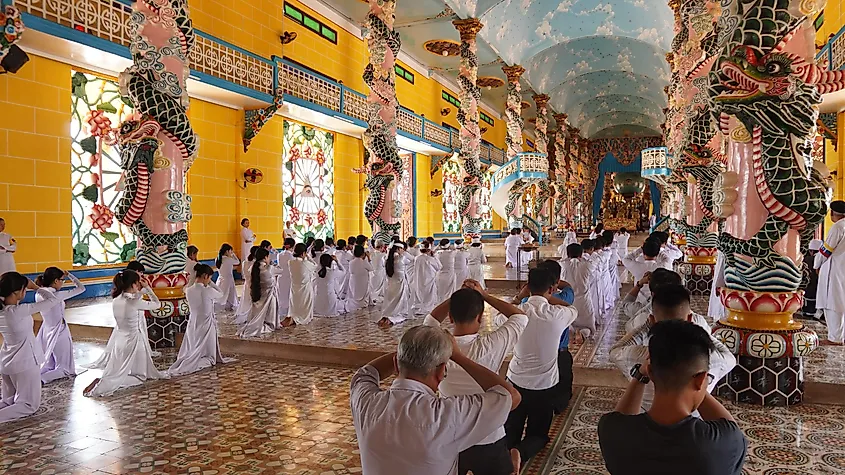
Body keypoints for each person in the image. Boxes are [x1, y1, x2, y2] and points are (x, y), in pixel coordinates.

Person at [350, 325, 521, 475]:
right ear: (441, 371)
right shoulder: (448, 414)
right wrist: (457, 356)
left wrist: (412, 351)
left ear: (396, 364)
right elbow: (511, 396)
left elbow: (364, 374)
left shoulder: (365, 402)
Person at [599, 320, 747, 475]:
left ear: (649, 371)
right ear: (701, 379)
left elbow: (620, 419)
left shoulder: (611, 431)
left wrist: (640, 375)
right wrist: (698, 383)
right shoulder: (723, 443)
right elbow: (730, 426)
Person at [424, 282, 527, 475]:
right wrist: (484, 295)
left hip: (450, 434)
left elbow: (431, 319)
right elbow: (519, 317)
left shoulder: (438, 344)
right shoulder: (492, 344)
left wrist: (458, 297)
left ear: (451, 317)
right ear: (480, 316)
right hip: (489, 435)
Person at [609, 285, 736, 412]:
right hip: (694, 424)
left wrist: (647, 327)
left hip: (644, 422)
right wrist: (697, 331)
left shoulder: (641, 357)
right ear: (691, 319)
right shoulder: (711, 358)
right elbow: (729, 357)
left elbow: (615, 351)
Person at [505, 268, 578, 462]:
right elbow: (573, 309)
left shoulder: (517, 313)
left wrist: (520, 299)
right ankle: (521, 453)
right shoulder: (558, 315)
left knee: (510, 430)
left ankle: (508, 451)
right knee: (538, 435)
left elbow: (502, 314)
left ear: (527, 287)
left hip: (515, 382)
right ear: (553, 289)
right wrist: (547, 298)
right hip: (544, 386)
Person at [85, 271, 168, 396]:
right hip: (135, 341)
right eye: (137, 283)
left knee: (125, 371)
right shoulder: (133, 302)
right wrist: (148, 288)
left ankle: (108, 381)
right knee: (140, 377)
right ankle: (105, 383)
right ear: (133, 284)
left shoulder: (117, 299)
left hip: (120, 340)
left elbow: (134, 298)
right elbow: (157, 304)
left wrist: (140, 290)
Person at [0, 272, 58, 421]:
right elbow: (53, 299)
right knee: (28, 405)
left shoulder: (3, 311)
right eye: (24, 289)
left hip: (6, 362)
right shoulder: (18, 311)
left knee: (8, 401)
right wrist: (36, 287)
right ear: (17, 292)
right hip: (24, 363)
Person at [167, 264, 234, 376]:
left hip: (193, 322)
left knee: (194, 346)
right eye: (209, 278)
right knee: (209, 358)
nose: (210, 281)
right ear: (205, 276)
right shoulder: (207, 290)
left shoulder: (189, 290)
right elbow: (221, 294)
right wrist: (211, 284)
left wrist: (207, 282)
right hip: (206, 323)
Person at [35, 267, 86, 384]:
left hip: (47, 330)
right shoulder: (55, 295)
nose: (63, 283)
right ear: (56, 281)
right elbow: (81, 288)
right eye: (62, 280)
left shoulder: (39, 294)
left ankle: (37, 376)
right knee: (65, 369)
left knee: (50, 364)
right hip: (59, 332)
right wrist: (70, 275)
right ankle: (41, 379)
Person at [816, 200, 845, 345]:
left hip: (835, 270)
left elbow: (826, 250)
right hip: (843, 269)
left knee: (833, 303)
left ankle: (835, 338)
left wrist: (817, 264)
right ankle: (841, 336)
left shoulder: (838, 227)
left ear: (833, 213)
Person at [239, 248, 283, 337]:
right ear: (266, 257)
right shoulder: (269, 268)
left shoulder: (253, 268)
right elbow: (280, 270)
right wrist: (271, 263)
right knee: (269, 322)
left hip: (258, 295)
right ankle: (266, 326)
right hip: (269, 297)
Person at [561, 243, 597, 341]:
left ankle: (572, 332)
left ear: (567, 254)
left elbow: (562, 262)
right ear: (581, 254)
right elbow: (594, 264)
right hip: (584, 299)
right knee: (588, 325)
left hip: (568, 299)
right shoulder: (587, 265)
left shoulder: (563, 265)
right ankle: (582, 333)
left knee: (568, 321)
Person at [283, 243, 318, 327]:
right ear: (303, 253)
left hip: (294, 287)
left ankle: (293, 317)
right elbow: (315, 266)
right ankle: (299, 319)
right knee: (305, 306)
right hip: (305, 288)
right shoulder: (305, 263)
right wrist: (308, 257)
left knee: (295, 304)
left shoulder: (290, 262)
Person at [378, 242, 412, 327]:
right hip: (400, 283)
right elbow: (412, 260)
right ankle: (392, 318)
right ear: (398, 249)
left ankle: (386, 316)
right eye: (402, 249)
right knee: (399, 303)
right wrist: (404, 253)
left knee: (391, 301)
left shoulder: (386, 259)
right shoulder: (401, 258)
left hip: (391, 283)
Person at [233, 246, 260, 325]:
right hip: (254, 285)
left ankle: (247, 314)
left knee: (246, 299)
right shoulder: (255, 264)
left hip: (247, 284)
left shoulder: (245, 262)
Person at [413, 242, 442, 315]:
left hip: (419, 278)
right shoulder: (429, 259)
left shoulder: (417, 258)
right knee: (429, 294)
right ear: (429, 250)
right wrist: (434, 257)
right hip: (429, 279)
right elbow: (439, 267)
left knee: (420, 292)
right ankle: (426, 306)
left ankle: (421, 305)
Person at [214, 243, 240, 311]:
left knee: (223, 294)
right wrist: (233, 255)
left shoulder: (217, 259)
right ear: (227, 251)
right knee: (230, 294)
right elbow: (237, 262)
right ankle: (229, 305)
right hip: (228, 280)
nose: (231, 253)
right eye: (230, 251)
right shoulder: (228, 259)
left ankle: (226, 305)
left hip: (220, 279)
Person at [275, 238, 296, 319]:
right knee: (288, 294)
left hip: (281, 277)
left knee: (281, 295)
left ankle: (281, 311)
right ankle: (288, 311)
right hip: (288, 277)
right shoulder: (291, 255)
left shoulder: (279, 254)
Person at [348, 245, 374, 310]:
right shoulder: (364, 262)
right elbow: (371, 268)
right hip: (363, 284)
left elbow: (351, 271)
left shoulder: (351, 262)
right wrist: (369, 258)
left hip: (354, 284)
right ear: (363, 253)